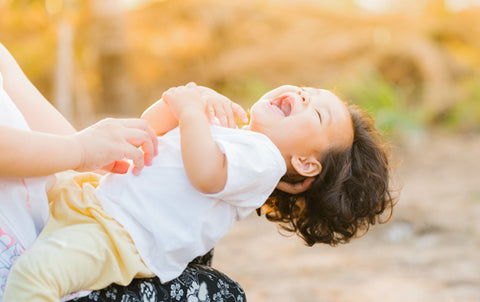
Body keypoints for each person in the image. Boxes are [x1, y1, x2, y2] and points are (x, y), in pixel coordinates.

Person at [4, 81, 395, 301]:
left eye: (317, 112)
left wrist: (192, 113)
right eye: (309, 91)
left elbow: (206, 173)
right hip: (95, 201)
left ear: (307, 164)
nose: (305, 97)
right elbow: (149, 131)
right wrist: (177, 103)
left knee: (36, 280)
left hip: (116, 236)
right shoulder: (235, 132)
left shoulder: (264, 161)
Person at [0, 43, 246, 302]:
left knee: (184, 241)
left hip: (47, 220)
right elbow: (77, 148)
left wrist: (100, 161)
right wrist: (80, 149)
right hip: (24, 270)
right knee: (220, 293)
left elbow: (63, 140)